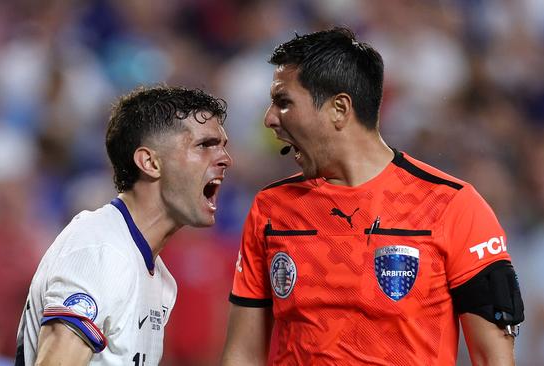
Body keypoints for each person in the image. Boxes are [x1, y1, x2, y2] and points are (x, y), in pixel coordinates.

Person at [221, 27, 524, 366]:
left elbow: (493, 358)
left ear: (339, 108)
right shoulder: (272, 207)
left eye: (284, 102)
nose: (269, 118)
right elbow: (243, 354)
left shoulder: (453, 206)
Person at [15, 85, 232, 365]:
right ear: (150, 162)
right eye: (204, 145)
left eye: (222, 146)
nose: (226, 159)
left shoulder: (158, 276)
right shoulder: (101, 249)